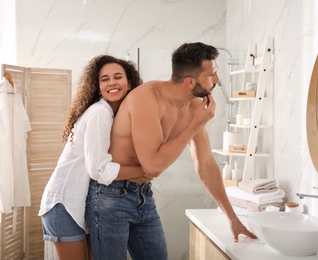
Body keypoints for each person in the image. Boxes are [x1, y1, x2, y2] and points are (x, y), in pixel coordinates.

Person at [85, 42, 256, 260]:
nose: (217, 80)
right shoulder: (146, 97)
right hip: (110, 196)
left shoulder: (194, 106)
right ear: (189, 81)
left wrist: (232, 217)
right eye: (211, 75)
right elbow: (153, 166)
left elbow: (205, 164)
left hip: (143, 194)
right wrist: (194, 125)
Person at [39, 55, 148, 260]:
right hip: (64, 204)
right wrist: (145, 171)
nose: (112, 82)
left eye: (117, 77)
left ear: (129, 83)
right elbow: (99, 169)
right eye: (104, 79)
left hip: (77, 204)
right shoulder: (100, 112)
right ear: (98, 87)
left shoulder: (116, 114)